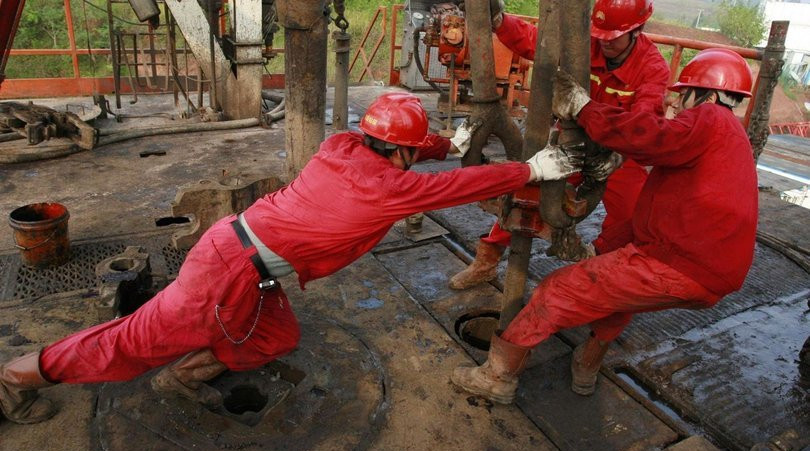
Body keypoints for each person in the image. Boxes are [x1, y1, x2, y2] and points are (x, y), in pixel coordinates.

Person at [0, 92, 585, 424]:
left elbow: (414, 155)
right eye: (415, 149)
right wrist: (530, 170)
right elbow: (454, 188)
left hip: (248, 262)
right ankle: (13, 376)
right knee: (130, 340)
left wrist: (445, 144)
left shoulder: (342, 144)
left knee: (273, 340)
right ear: (399, 151)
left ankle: (184, 374)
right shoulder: (390, 188)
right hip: (228, 272)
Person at [451, 48, 758, 403]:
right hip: (709, 273)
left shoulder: (710, 118)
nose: (678, 103)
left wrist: (584, 109)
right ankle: (587, 363)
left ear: (710, 94)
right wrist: (598, 249)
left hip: (677, 263)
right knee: (617, 298)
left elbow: (649, 135)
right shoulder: (730, 139)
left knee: (557, 291)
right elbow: (653, 212)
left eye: (684, 94)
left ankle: (497, 378)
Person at [449, 0, 670, 290]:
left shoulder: (652, 69)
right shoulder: (585, 44)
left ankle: (595, 268)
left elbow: (644, 121)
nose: (604, 43)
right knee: (526, 193)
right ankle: (486, 260)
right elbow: (536, 42)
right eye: (600, 34)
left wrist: (617, 152)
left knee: (631, 213)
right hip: (573, 139)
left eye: (613, 38)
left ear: (636, 31)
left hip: (617, 154)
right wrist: (500, 20)